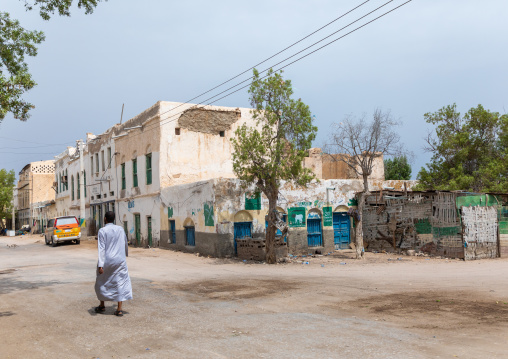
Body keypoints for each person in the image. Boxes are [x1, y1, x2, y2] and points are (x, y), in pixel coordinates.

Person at [94, 211, 132, 316]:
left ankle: (102, 305)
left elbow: (101, 249)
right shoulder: (120, 229)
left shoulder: (102, 231)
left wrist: (100, 265)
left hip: (107, 260)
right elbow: (125, 242)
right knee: (120, 282)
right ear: (114, 219)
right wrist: (125, 255)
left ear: (105, 219)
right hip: (120, 260)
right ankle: (119, 309)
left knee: (102, 281)